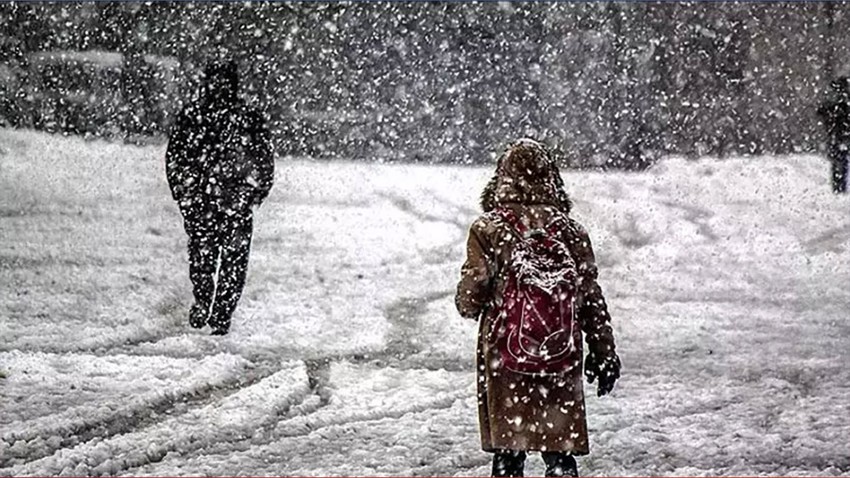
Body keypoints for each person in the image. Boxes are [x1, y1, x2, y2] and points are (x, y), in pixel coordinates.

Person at [456, 139, 620, 477]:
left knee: (508, 453)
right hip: (560, 351)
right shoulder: (571, 232)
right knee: (558, 450)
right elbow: (590, 296)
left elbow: (474, 291)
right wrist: (603, 351)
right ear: (552, 179)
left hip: (506, 351)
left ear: (501, 179)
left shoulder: (488, 229)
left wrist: (467, 301)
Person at [166, 59, 274, 335]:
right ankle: (220, 312)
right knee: (231, 262)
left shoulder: (194, 117)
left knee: (204, 256)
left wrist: (184, 192)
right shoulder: (246, 118)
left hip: (206, 199)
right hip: (230, 200)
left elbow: (175, 158)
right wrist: (253, 193)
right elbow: (264, 161)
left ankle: (206, 301)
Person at [817, 77, 850, 194]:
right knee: (841, 160)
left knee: (838, 160)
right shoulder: (842, 99)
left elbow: (821, 111)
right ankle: (840, 186)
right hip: (841, 133)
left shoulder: (832, 98)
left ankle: (838, 186)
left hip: (836, 133)